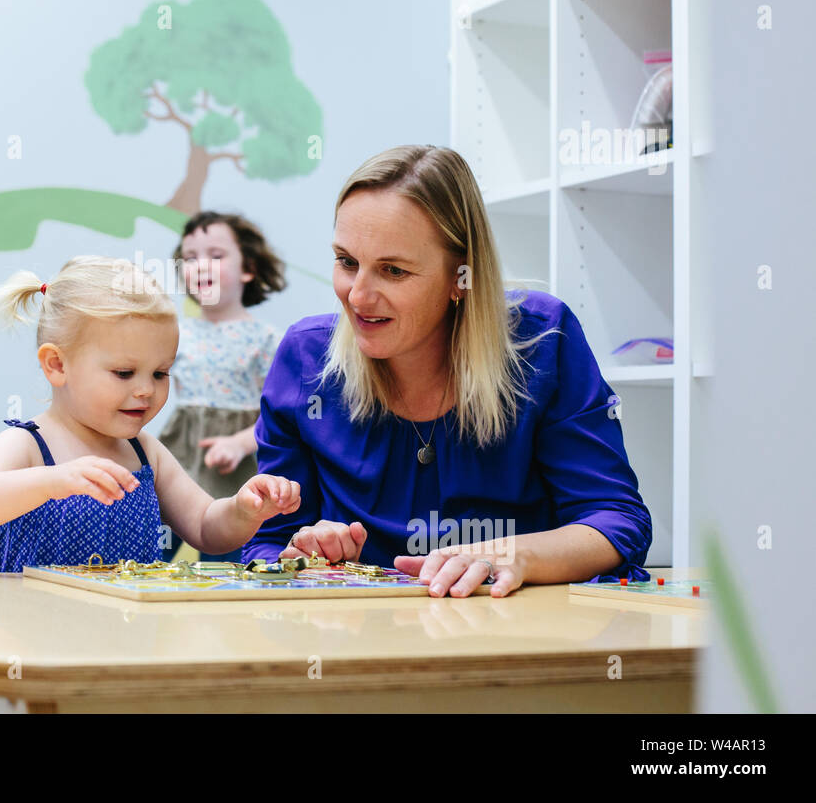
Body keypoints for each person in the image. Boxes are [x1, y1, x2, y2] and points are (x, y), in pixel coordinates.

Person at [246, 145, 653, 598]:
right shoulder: (305, 358)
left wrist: (515, 554)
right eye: (346, 262)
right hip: (360, 642)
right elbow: (268, 543)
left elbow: (617, 520)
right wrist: (303, 558)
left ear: (462, 276)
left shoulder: (542, 341)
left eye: (393, 271)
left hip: (514, 636)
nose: (357, 297)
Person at [0, 255, 301, 571]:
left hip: (125, 643)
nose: (146, 389)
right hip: (34, 642)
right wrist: (54, 481)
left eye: (161, 373)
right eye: (124, 373)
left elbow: (206, 527)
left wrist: (243, 510)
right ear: (57, 365)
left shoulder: (144, 451)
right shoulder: (29, 445)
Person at [158, 211, 285, 562]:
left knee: (226, 557)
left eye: (216, 256)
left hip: (236, 466)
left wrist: (240, 443)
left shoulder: (265, 339)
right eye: (190, 258)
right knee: (153, 548)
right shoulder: (173, 333)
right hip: (180, 455)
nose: (201, 266)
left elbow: (278, 415)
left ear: (248, 269)